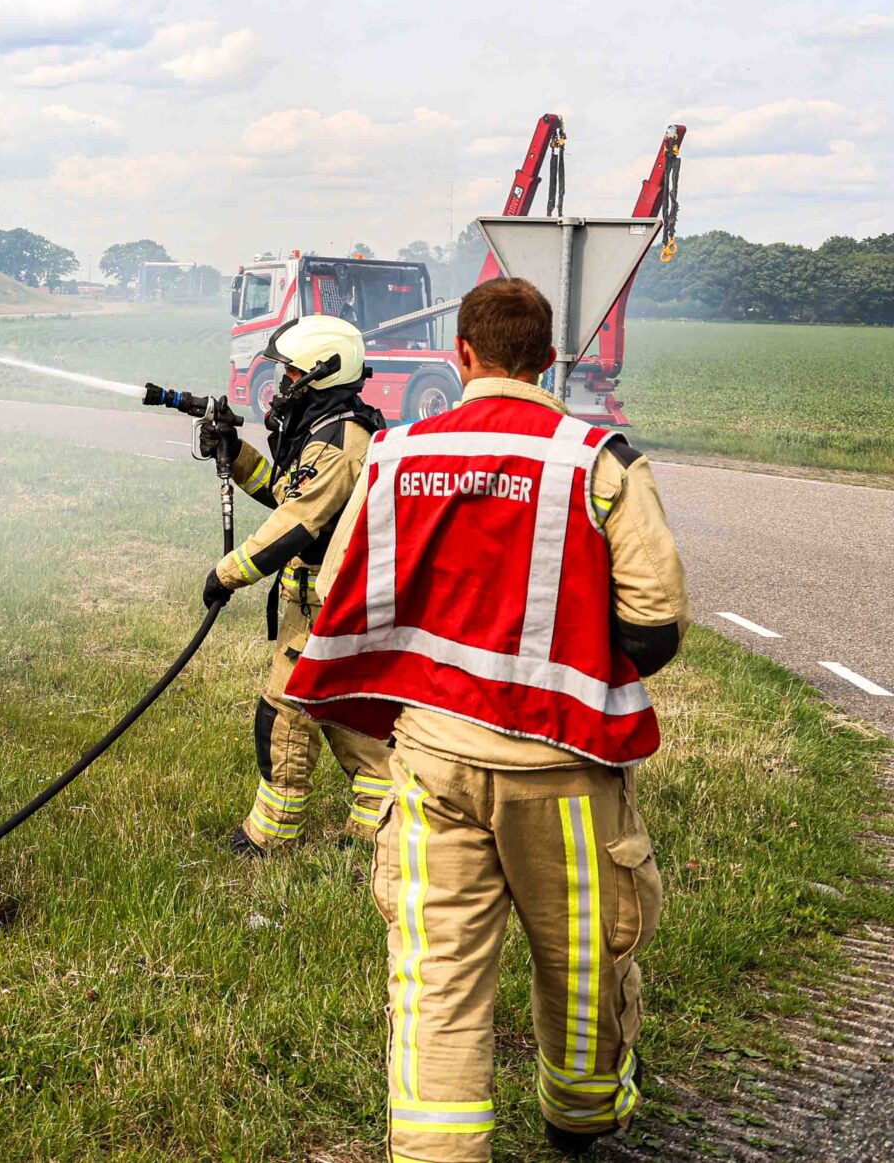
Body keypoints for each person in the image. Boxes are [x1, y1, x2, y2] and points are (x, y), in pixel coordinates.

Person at [285, 277, 686, 1160]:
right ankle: (578, 1119)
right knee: (585, 956)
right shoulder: (598, 461)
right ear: (549, 359)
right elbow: (655, 626)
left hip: (431, 763)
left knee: (437, 977)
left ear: (460, 355)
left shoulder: (395, 458)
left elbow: (335, 592)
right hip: (566, 771)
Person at [198, 314, 394, 853]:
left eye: (288, 372)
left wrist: (227, 573)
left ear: (317, 372)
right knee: (342, 708)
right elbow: (287, 494)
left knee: (285, 711)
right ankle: (381, 820)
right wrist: (235, 455)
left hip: (327, 601)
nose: (283, 383)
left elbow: (296, 525)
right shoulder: (328, 427)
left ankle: (271, 836)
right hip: (327, 598)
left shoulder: (338, 441)